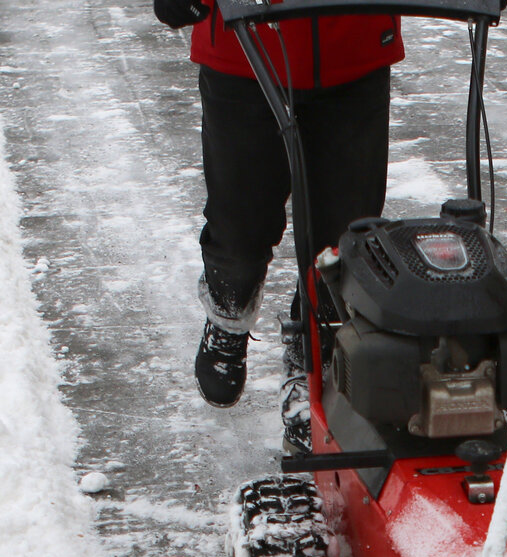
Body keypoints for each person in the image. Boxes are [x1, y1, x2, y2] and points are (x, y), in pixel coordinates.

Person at [153, 0, 403, 451]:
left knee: (344, 242)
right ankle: (228, 312)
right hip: (243, 47)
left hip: (353, 44)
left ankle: (314, 366)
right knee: (241, 228)